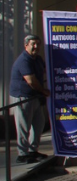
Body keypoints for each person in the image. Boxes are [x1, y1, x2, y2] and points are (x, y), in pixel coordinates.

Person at [9, 35, 50, 163]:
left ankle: (33, 150)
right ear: (26, 45)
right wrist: (44, 91)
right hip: (23, 97)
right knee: (24, 125)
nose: (36, 47)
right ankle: (22, 154)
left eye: (38, 44)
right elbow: (31, 81)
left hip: (35, 97)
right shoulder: (23, 60)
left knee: (39, 123)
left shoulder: (37, 59)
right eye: (33, 44)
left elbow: (45, 71)